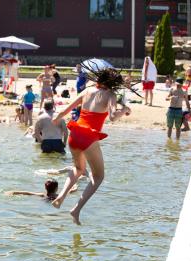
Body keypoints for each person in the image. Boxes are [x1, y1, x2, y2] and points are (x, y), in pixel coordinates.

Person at [51, 68, 132, 225]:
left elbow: (66, 110)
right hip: (88, 137)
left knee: (78, 169)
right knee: (98, 176)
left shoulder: (87, 90)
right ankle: (76, 209)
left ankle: (61, 197)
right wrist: (124, 110)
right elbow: (113, 117)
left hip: (74, 134)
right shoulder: (110, 95)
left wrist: (56, 119)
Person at [5, 179, 78, 201]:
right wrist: (74, 187)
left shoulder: (43, 195)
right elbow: (69, 192)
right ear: (56, 188)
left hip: (44, 201)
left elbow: (28, 193)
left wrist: (13, 192)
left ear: (45, 188)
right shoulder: (59, 196)